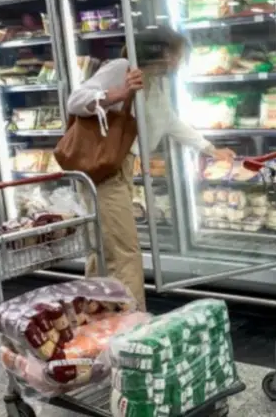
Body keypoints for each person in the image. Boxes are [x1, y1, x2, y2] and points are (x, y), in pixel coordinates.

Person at [66, 27, 235, 310]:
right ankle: (132, 320)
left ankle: (96, 313)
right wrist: (119, 93)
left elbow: (170, 121)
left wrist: (210, 149)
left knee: (105, 246)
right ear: (161, 52)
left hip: (120, 167)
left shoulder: (156, 82)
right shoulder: (122, 68)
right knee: (125, 249)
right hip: (104, 169)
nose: (180, 61)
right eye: (178, 55)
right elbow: (75, 100)